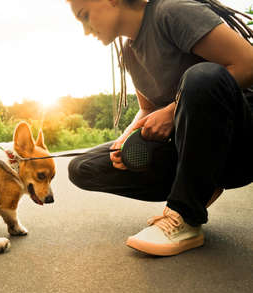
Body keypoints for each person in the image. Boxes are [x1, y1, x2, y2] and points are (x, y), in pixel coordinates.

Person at [66, 0, 253, 256]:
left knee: (202, 77)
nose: (86, 30)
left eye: (85, 16)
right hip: (192, 152)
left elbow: (248, 63)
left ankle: (185, 215)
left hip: (240, 145)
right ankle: (198, 187)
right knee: (83, 167)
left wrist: (171, 110)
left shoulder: (172, 11)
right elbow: (147, 109)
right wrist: (126, 138)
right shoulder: (129, 55)